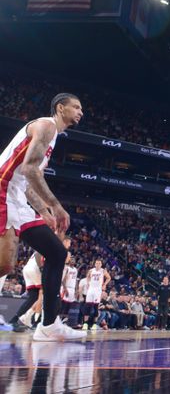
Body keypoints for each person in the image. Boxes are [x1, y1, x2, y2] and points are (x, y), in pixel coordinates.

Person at [0, 93, 86, 341]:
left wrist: (44, 210)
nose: (81, 112)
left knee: (57, 252)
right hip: (3, 189)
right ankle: (48, 325)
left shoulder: (54, 136)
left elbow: (28, 181)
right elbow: (28, 169)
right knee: (5, 265)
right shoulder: (47, 125)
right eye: (76, 107)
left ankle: (49, 326)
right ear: (61, 108)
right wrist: (56, 206)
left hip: (16, 196)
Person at [82, 259, 111, 331]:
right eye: (96, 263)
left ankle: (94, 324)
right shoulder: (91, 270)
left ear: (101, 264)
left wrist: (104, 284)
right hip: (91, 289)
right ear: (95, 264)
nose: (98, 264)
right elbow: (88, 276)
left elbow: (109, 278)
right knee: (87, 306)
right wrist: (88, 283)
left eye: (99, 263)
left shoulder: (103, 271)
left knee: (95, 307)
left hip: (98, 290)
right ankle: (85, 324)